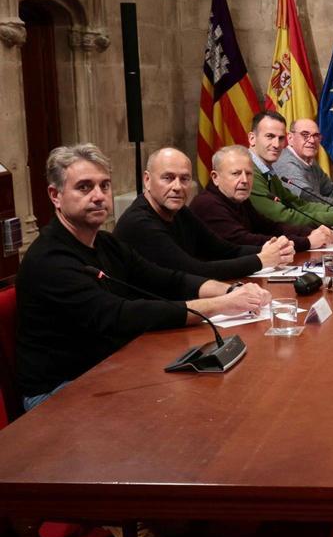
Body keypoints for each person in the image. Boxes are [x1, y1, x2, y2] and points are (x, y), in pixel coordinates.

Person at [16, 144, 272, 413]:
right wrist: (222, 304)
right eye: (84, 187)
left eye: (104, 186)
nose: (98, 196)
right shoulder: (50, 260)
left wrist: (231, 291)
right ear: (55, 196)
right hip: (60, 391)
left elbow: (169, 279)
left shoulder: (104, 242)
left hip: (113, 368)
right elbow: (120, 315)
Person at [115, 147, 295, 279]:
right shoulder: (139, 223)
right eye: (168, 178)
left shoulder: (180, 212)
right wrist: (261, 259)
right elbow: (193, 271)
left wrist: (271, 250)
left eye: (184, 179)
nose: (177, 187)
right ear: (147, 180)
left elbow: (223, 249)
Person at [192, 144, 333, 252]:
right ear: (215, 177)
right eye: (236, 173)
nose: (244, 180)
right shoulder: (207, 205)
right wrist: (306, 242)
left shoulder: (238, 200)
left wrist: (310, 232)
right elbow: (246, 241)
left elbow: (271, 227)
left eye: (249, 174)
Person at [247, 111, 333, 228]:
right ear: (252, 138)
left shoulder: (267, 171)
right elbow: (282, 216)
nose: (277, 144)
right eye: (270, 136)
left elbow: (298, 204)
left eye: (281, 138)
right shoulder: (247, 171)